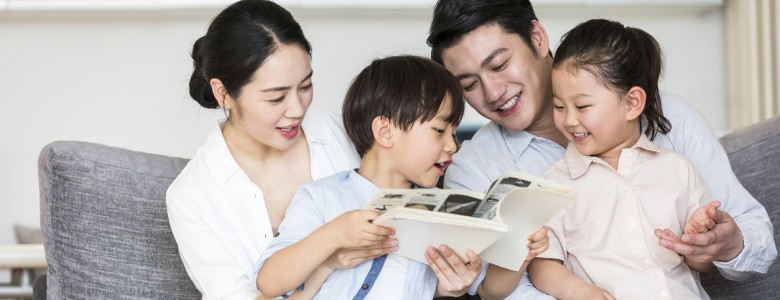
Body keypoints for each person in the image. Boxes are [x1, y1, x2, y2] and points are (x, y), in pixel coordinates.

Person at [427, 0, 777, 297]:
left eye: (500, 65)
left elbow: (755, 242)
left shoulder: (669, 122)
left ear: (537, 38)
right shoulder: (475, 170)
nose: (492, 92)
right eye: (469, 84)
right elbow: (502, 290)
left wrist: (725, 244)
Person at [255, 55, 549, 299]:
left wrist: (519, 252)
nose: (452, 145)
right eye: (439, 130)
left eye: (454, 132)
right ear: (385, 132)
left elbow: (489, 290)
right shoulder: (323, 197)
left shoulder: (444, 212)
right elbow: (269, 282)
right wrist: (331, 236)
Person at [166, 0, 363, 298]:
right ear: (224, 93)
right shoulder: (192, 197)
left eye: (306, 87)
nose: (297, 109)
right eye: (276, 98)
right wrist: (325, 264)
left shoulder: (342, 133)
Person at [527, 19, 719, 299]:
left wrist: (698, 241)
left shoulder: (677, 169)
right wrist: (578, 291)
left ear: (631, 104)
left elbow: (700, 263)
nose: (568, 120)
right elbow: (542, 264)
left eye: (582, 106)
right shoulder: (555, 185)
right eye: (558, 106)